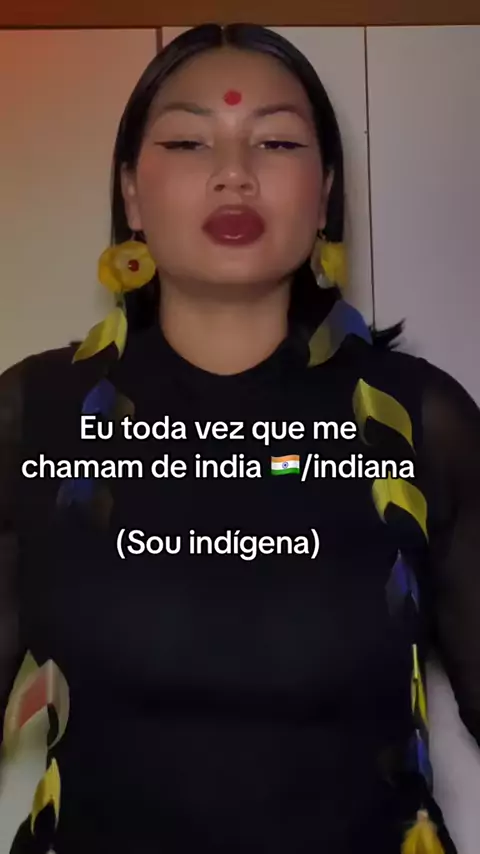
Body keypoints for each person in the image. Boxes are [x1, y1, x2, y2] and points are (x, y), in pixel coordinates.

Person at [0, 22, 479, 854]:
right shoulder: (32, 414)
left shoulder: (420, 419)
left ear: (324, 195)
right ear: (132, 193)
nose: (234, 173)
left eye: (277, 142)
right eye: (189, 142)